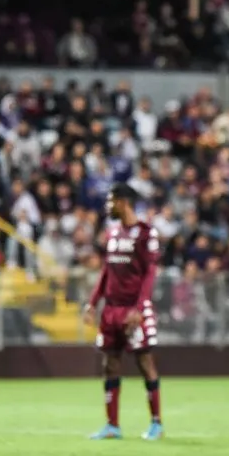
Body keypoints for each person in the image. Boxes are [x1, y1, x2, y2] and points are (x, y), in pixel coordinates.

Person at [83, 183, 163, 441]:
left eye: (110, 201)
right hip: (112, 310)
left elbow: (150, 273)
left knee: (144, 362)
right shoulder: (113, 232)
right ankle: (112, 425)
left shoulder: (146, 233)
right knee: (110, 364)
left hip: (134, 309)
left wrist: (140, 308)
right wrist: (93, 302)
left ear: (123, 202)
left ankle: (156, 423)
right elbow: (107, 271)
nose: (108, 206)